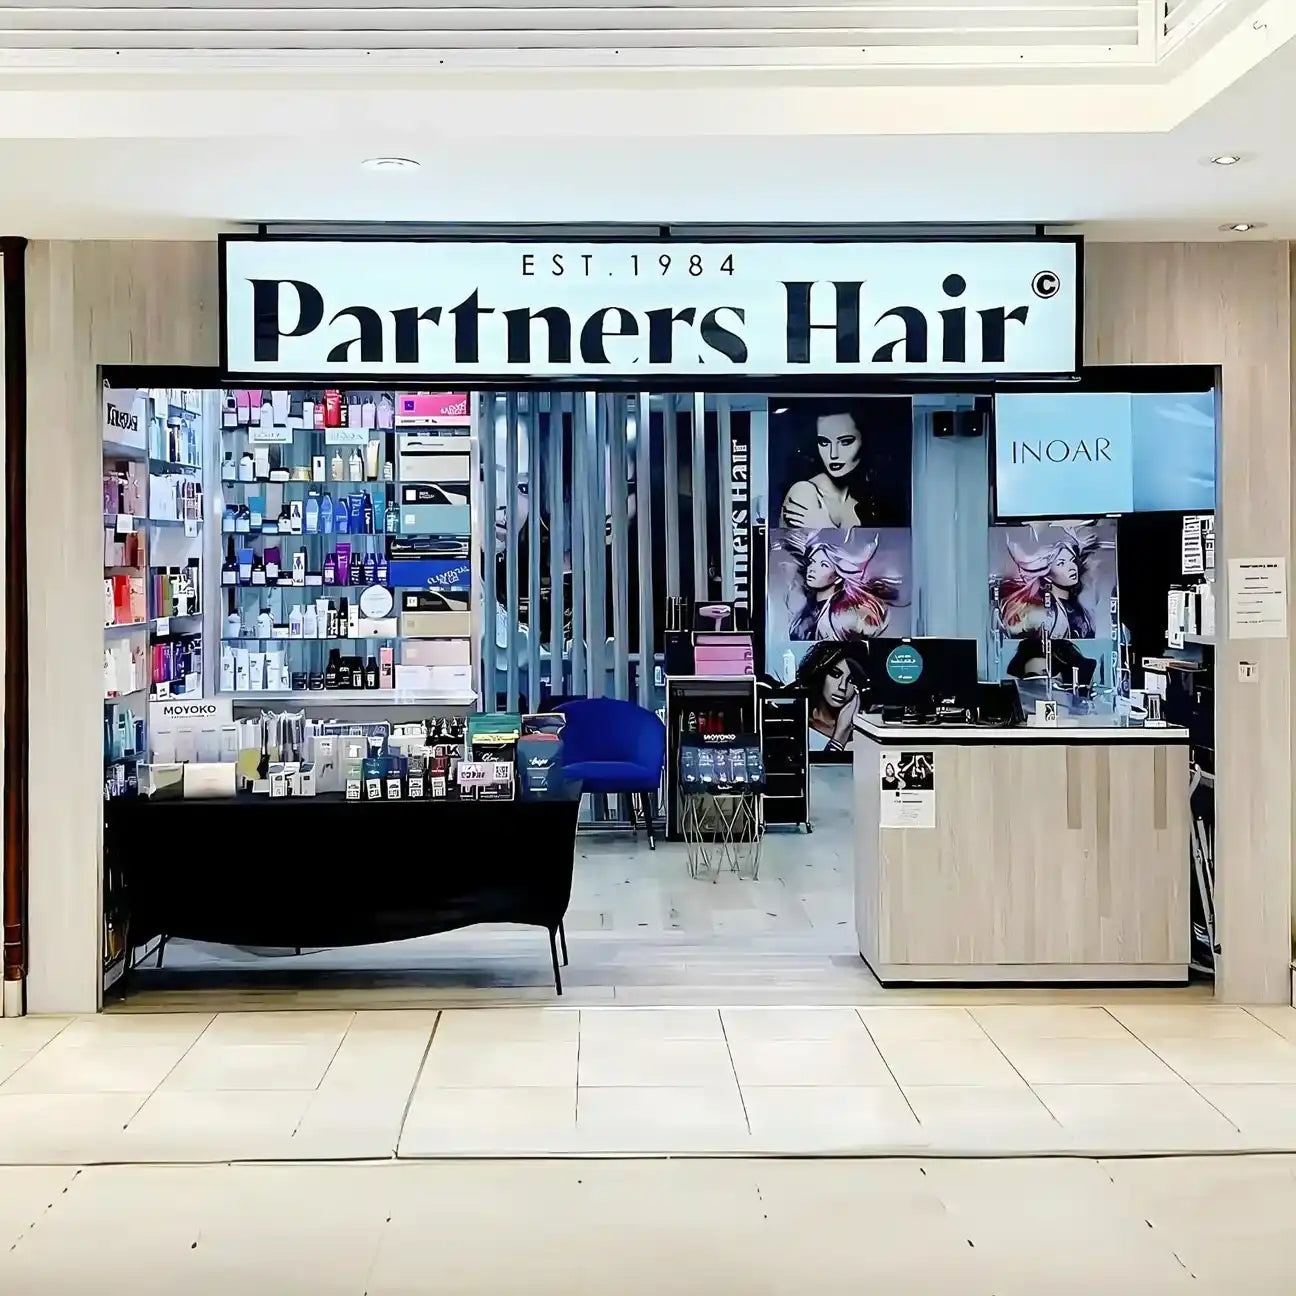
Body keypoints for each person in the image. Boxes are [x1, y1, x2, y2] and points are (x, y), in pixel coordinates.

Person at [780, 529, 903, 641]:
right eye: (812, 562)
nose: (812, 569)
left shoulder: (845, 617)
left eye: (824, 565)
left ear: (838, 577)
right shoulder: (803, 609)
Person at [779, 409, 881, 529]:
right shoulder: (805, 492)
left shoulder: (864, 498)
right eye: (824, 442)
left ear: (865, 442)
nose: (833, 454)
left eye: (845, 442)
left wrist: (825, 526)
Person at [997, 526, 1099, 640]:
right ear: (1047, 575)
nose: (1072, 568)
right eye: (1061, 563)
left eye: (1072, 561)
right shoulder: (1040, 612)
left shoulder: (1079, 606)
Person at [794, 642, 868, 751]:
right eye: (835, 674)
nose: (842, 686)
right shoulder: (796, 722)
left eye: (852, 680)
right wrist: (839, 739)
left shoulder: (866, 732)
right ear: (820, 674)